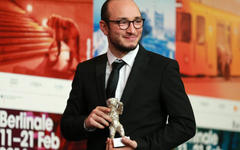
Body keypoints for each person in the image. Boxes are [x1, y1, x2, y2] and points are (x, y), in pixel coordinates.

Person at [60, 0, 196, 150]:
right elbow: (67, 126)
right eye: (123, 23)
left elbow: (185, 125)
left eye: (137, 22)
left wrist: (141, 146)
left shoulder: (163, 68)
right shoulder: (86, 70)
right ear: (104, 27)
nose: (132, 30)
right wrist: (86, 122)